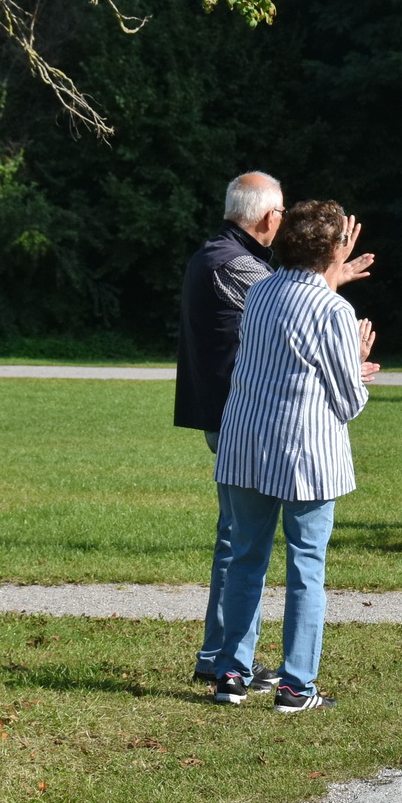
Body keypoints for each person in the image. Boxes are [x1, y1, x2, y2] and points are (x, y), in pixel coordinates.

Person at [210, 200, 380, 711]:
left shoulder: (260, 291)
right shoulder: (333, 310)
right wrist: (357, 363)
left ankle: (230, 675)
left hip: (244, 443)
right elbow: (348, 401)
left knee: (245, 561)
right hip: (305, 454)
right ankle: (295, 685)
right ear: (334, 249)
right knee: (306, 567)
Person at [173, 172, 286, 697]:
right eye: (281, 211)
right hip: (238, 418)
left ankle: (217, 655)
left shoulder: (217, 254)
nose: (283, 221)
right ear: (265, 216)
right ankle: (227, 660)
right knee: (243, 542)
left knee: (235, 537)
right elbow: (290, 311)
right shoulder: (233, 263)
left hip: (226, 416)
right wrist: (331, 276)